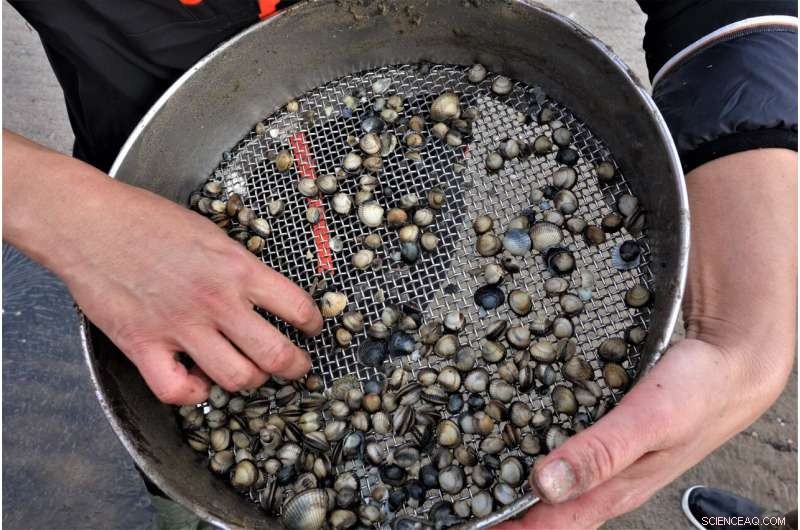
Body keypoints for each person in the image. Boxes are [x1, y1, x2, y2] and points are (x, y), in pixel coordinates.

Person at [3, 1, 796, 529]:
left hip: (413, 163)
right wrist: (60, 209)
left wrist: (753, 325)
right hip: (145, 217)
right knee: (196, 475)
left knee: (395, 332)